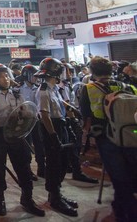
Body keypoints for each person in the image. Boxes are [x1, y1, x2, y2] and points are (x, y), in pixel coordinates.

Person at [0, 64, 45, 217]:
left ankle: (27, 198)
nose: (6, 79)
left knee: (23, 165)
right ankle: (0, 200)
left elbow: (25, 111)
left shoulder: (17, 94)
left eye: (7, 75)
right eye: (2, 76)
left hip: (17, 133)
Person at [79, 56, 137, 222]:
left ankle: (129, 213)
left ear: (92, 71)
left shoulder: (88, 88)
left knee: (119, 177)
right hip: (130, 135)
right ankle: (119, 207)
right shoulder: (126, 86)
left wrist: (85, 140)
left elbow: (87, 117)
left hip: (106, 137)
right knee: (129, 173)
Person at [35, 58, 78, 217]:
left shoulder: (54, 89)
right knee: (54, 164)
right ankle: (54, 197)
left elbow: (62, 106)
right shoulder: (44, 90)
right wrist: (53, 136)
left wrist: (71, 114)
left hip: (61, 125)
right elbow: (44, 115)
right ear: (56, 73)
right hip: (51, 129)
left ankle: (56, 193)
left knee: (63, 162)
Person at [18, 64, 46, 178]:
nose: (36, 78)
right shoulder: (19, 89)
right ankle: (27, 169)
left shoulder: (39, 88)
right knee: (26, 147)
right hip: (25, 122)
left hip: (37, 121)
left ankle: (42, 167)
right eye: (34, 76)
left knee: (40, 144)